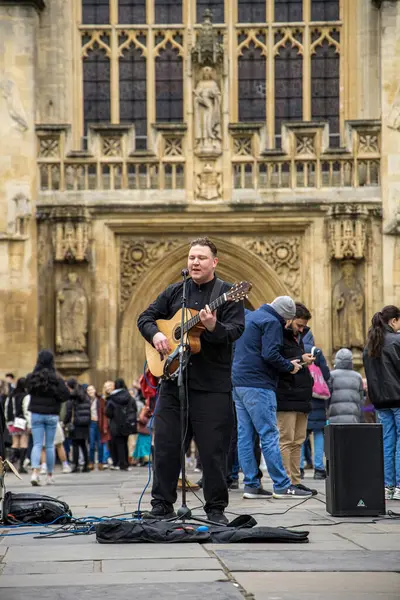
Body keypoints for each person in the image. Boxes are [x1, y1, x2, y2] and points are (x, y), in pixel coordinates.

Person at [137, 237, 244, 524]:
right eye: (192, 257)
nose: (195, 262)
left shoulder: (229, 294)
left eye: (201, 258)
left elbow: (234, 332)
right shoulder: (175, 292)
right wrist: (156, 335)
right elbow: (145, 317)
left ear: (214, 262)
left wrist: (213, 327)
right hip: (173, 384)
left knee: (213, 452)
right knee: (166, 447)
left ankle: (215, 509)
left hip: (212, 387)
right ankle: (162, 504)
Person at [232, 295, 312, 499]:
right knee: (269, 434)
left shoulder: (250, 317)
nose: (286, 324)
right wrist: (290, 366)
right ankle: (282, 485)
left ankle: (251, 485)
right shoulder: (271, 322)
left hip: (238, 382)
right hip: (259, 384)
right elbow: (270, 354)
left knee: (245, 435)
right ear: (285, 315)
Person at [276, 303, 316, 494]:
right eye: (299, 325)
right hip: (286, 395)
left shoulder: (296, 337)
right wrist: (301, 359)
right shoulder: (278, 335)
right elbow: (278, 361)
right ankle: (286, 482)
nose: (302, 330)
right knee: (286, 440)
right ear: (289, 319)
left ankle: (296, 480)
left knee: (298, 440)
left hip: (301, 396)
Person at [363, 305, 400, 501]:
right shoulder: (396, 341)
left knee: (388, 441)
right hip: (398, 398)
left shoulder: (370, 344)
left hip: (380, 401)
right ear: (393, 321)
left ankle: (389, 486)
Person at [25, 350, 70, 486]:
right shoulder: (56, 378)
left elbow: (27, 390)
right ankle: (49, 475)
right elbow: (66, 395)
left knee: (37, 444)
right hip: (51, 414)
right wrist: (56, 399)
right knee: (50, 445)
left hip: (36, 413)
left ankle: (34, 472)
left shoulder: (32, 377)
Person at [301, 329, 330, 480]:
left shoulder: (296, 348)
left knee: (299, 436)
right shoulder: (316, 351)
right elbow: (326, 375)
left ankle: (298, 468)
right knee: (319, 434)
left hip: (301, 397)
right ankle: (319, 469)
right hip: (317, 400)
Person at [105, 378, 137, 471]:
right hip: (127, 424)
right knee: (124, 443)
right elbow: (134, 409)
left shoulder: (112, 397)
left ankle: (119, 463)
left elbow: (108, 412)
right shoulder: (129, 396)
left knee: (117, 444)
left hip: (115, 424)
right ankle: (125, 463)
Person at [328, 348, 363, 424]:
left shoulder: (331, 376)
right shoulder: (358, 376)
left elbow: (328, 396)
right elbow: (361, 398)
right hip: (353, 417)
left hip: (335, 417)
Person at [64, 378, 91, 473]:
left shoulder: (72, 397)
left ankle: (75, 465)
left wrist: (65, 422)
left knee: (75, 444)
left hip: (75, 423)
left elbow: (68, 412)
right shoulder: (85, 395)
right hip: (85, 423)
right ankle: (86, 465)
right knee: (83, 444)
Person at [4, 377, 30, 474]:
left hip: (12, 422)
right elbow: (26, 410)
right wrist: (29, 423)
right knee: (23, 443)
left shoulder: (11, 396)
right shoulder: (26, 396)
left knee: (15, 443)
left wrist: (8, 421)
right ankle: (21, 466)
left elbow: (6, 408)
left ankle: (10, 464)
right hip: (22, 422)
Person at [87, 384, 104, 470]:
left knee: (100, 444)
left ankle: (100, 462)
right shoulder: (87, 401)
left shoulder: (100, 400)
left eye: (92, 389)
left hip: (99, 423)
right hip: (91, 424)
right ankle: (91, 462)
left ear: (95, 390)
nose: (90, 391)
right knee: (92, 444)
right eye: (88, 390)